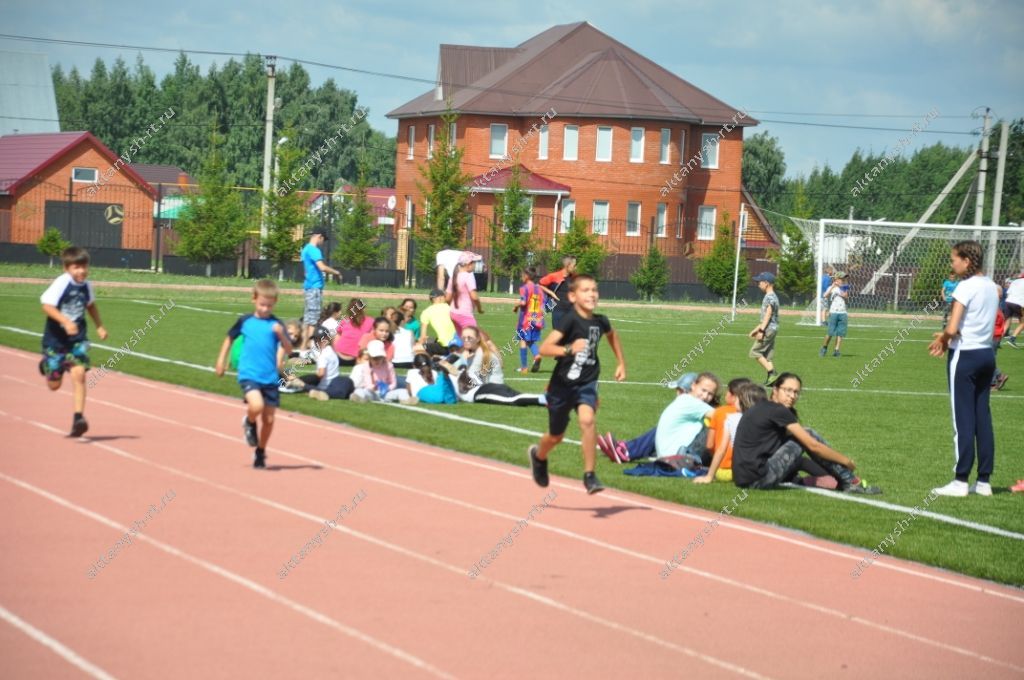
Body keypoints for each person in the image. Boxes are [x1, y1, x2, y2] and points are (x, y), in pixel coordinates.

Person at [527, 275, 626, 494]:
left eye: (595, 290)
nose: (592, 294)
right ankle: (539, 456)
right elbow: (544, 348)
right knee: (556, 436)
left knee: (587, 420)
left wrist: (620, 363)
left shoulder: (601, 321)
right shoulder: (569, 320)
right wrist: (569, 349)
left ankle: (590, 475)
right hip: (562, 385)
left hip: (587, 381)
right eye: (586, 290)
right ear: (572, 296)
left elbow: (613, 336)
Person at [927, 240, 999, 497]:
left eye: (954, 258)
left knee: (963, 418)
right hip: (986, 355)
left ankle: (960, 480)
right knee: (983, 417)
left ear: (967, 261)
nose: (952, 263)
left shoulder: (964, 288)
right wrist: (947, 336)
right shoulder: (993, 286)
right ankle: (984, 481)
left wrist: (943, 339)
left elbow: (953, 328)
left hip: (965, 357)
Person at [731, 373, 881, 493]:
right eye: (787, 390)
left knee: (800, 437)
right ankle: (851, 481)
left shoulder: (763, 407)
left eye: (796, 392)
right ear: (775, 390)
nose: (792, 396)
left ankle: (842, 480)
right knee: (808, 433)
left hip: (742, 479)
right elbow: (813, 445)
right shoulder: (779, 411)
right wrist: (845, 461)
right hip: (759, 479)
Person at [215, 279, 294, 469]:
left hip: (269, 377)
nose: (265, 309)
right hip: (249, 373)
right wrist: (221, 360)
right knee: (256, 405)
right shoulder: (245, 321)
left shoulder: (276, 324)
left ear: (275, 302)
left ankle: (260, 452)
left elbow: (289, 349)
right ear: (254, 299)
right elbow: (229, 338)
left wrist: (281, 335)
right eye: (262, 304)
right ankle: (249, 421)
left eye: (269, 305)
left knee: (268, 419)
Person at [38, 246, 108, 437]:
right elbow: (47, 306)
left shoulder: (86, 285)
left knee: (79, 374)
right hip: (55, 341)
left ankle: (78, 418)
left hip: (76, 340)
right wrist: (65, 321)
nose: (81, 271)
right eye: (76, 267)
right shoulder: (62, 283)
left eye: (84, 267)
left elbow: (91, 305)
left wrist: (99, 326)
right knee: (54, 386)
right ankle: (48, 365)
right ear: (66, 268)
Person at [598, 372, 719, 465]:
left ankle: (626, 449)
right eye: (703, 391)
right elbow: (722, 417)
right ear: (693, 387)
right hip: (682, 456)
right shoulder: (690, 402)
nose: (678, 395)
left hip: (676, 453)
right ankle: (626, 450)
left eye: (681, 391)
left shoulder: (691, 403)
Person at [445, 326, 546, 406]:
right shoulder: (473, 353)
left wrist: (456, 370)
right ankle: (545, 398)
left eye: (469, 338)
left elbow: (471, 382)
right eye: (464, 338)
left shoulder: (482, 354)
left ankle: (545, 399)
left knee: (513, 399)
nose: (466, 340)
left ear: (477, 340)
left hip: (491, 388)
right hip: (489, 387)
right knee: (515, 397)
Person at [694, 378, 752, 484]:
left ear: (732, 395)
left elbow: (709, 445)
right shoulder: (753, 414)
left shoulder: (719, 412)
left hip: (723, 470)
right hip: (746, 471)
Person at [300, 228, 341, 350]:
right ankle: (311, 348)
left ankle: (303, 347)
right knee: (313, 321)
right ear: (319, 236)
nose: (323, 242)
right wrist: (336, 272)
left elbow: (306, 271)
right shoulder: (314, 250)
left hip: (308, 287)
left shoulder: (306, 249)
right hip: (314, 288)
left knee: (307, 320)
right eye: (323, 239)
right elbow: (322, 267)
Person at [350, 340, 416, 404]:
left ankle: (406, 400)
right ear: (370, 357)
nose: (377, 360)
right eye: (374, 358)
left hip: (387, 393)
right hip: (373, 392)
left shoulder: (389, 366)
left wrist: (387, 388)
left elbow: (393, 382)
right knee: (360, 391)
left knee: (402, 391)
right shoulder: (367, 366)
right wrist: (373, 387)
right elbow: (368, 383)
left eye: (379, 358)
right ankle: (359, 398)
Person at [302, 327, 354, 401]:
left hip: (324, 386)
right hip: (334, 382)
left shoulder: (322, 355)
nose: (316, 342)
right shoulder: (331, 351)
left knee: (302, 384)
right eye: (315, 339)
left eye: (319, 339)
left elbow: (321, 374)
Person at [513, 266, 546, 374]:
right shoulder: (540, 290)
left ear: (526, 276)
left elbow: (523, 302)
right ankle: (537, 355)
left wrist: (516, 305)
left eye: (522, 275)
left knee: (523, 341)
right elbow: (543, 304)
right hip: (537, 319)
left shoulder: (525, 288)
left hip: (526, 320)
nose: (521, 277)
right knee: (530, 341)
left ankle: (524, 368)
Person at [748, 271, 779, 385]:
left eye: (759, 282)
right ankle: (772, 379)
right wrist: (755, 329)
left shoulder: (769, 297)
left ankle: (772, 373)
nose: (758, 284)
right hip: (772, 328)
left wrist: (761, 330)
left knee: (754, 352)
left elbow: (768, 315)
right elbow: (768, 317)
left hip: (768, 329)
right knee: (767, 355)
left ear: (766, 283)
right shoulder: (773, 296)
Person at [448, 252, 484, 334]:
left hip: (453, 313)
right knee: (474, 337)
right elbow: (474, 297)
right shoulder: (469, 276)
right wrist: (479, 308)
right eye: (474, 263)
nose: (475, 265)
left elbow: (448, 298)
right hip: (465, 314)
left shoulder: (453, 277)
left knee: (462, 338)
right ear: (469, 264)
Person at [539, 255, 577, 328]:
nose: (575, 268)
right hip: (558, 310)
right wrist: (551, 293)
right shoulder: (554, 276)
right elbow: (540, 284)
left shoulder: (574, 277)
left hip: (571, 311)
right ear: (567, 265)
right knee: (558, 336)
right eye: (574, 265)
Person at [333, 298, 372, 365]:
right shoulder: (370, 321)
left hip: (339, 355)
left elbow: (337, 335)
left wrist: (335, 349)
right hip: (358, 357)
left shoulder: (344, 321)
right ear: (364, 309)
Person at [419, 288, 458, 354]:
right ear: (442, 298)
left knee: (418, 348)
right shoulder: (452, 308)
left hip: (444, 346)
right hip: (458, 343)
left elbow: (423, 337)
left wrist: (420, 345)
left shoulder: (426, 312)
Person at [819, 272, 849, 357]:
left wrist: (842, 290)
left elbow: (846, 297)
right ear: (837, 279)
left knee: (840, 333)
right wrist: (833, 286)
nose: (844, 280)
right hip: (834, 312)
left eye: (845, 278)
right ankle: (824, 347)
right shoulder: (831, 288)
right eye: (842, 278)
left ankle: (836, 350)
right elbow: (825, 295)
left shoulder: (845, 287)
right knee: (830, 333)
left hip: (843, 312)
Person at [1005, 272, 1024, 347]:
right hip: (1018, 303)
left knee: (1007, 322)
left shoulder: (1015, 281)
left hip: (1008, 301)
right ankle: (1012, 338)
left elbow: (1008, 292)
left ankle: (997, 341)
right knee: (1023, 322)